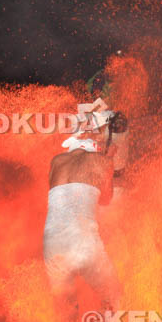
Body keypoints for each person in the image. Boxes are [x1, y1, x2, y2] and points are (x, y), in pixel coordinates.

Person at [43, 101, 122, 304]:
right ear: (94, 136)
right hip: (84, 244)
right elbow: (105, 199)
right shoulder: (102, 161)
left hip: (53, 246)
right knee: (116, 299)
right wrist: (109, 160)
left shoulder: (56, 161)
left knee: (65, 309)